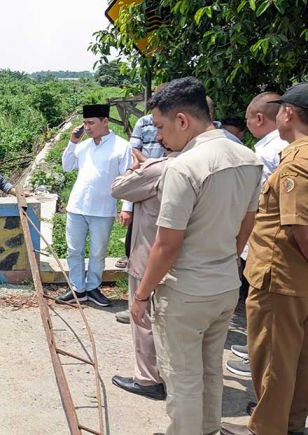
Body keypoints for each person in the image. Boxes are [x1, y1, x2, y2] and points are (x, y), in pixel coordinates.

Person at [130, 77, 262, 434]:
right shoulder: (248, 158)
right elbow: (244, 229)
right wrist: (222, 264)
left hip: (185, 293)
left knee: (183, 379)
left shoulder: (183, 167)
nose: (159, 137)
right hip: (223, 285)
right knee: (209, 372)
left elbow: (167, 245)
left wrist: (142, 294)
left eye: (160, 127)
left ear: (183, 120)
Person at [220, 83, 308, 435]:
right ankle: (290, 424)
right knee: (298, 360)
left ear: (287, 113)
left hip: (280, 278)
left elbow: (301, 230)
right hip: (296, 281)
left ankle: (266, 429)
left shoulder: (296, 164)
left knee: (273, 360)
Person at [225, 92, 289, 378]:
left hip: (264, 238)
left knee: (263, 306)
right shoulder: (282, 145)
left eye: (249, 119)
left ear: (259, 118)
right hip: (270, 237)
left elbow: (256, 200)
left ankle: (259, 361)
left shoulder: (265, 152)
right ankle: (255, 350)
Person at [110, 146, 175, 401]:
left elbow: (119, 187)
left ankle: (148, 379)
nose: (158, 135)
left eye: (160, 126)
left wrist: (136, 167)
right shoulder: (237, 157)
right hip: (194, 263)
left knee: (143, 318)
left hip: (151, 253)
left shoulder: (159, 168)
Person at [57, 104, 132, 307]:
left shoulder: (121, 146)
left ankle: (92, 288)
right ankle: (77, 289)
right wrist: (73, 141)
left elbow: (129, 179)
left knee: (98, 252)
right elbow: (66, 165)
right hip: (77, 206)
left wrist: (127, 207)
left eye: (91, 123)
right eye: (85, 123)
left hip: (103, 209)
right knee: (74, 250)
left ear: (105, 121)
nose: (87, 128)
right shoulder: (84, 146)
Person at [116, 82, 168, 324]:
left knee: (165, 247)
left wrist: (150, 167)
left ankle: (150, 306)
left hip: (167, 187)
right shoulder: (143, 122)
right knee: (138, 249)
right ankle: (138, 303)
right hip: (145, 188)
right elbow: (133, 155)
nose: (159, 135)